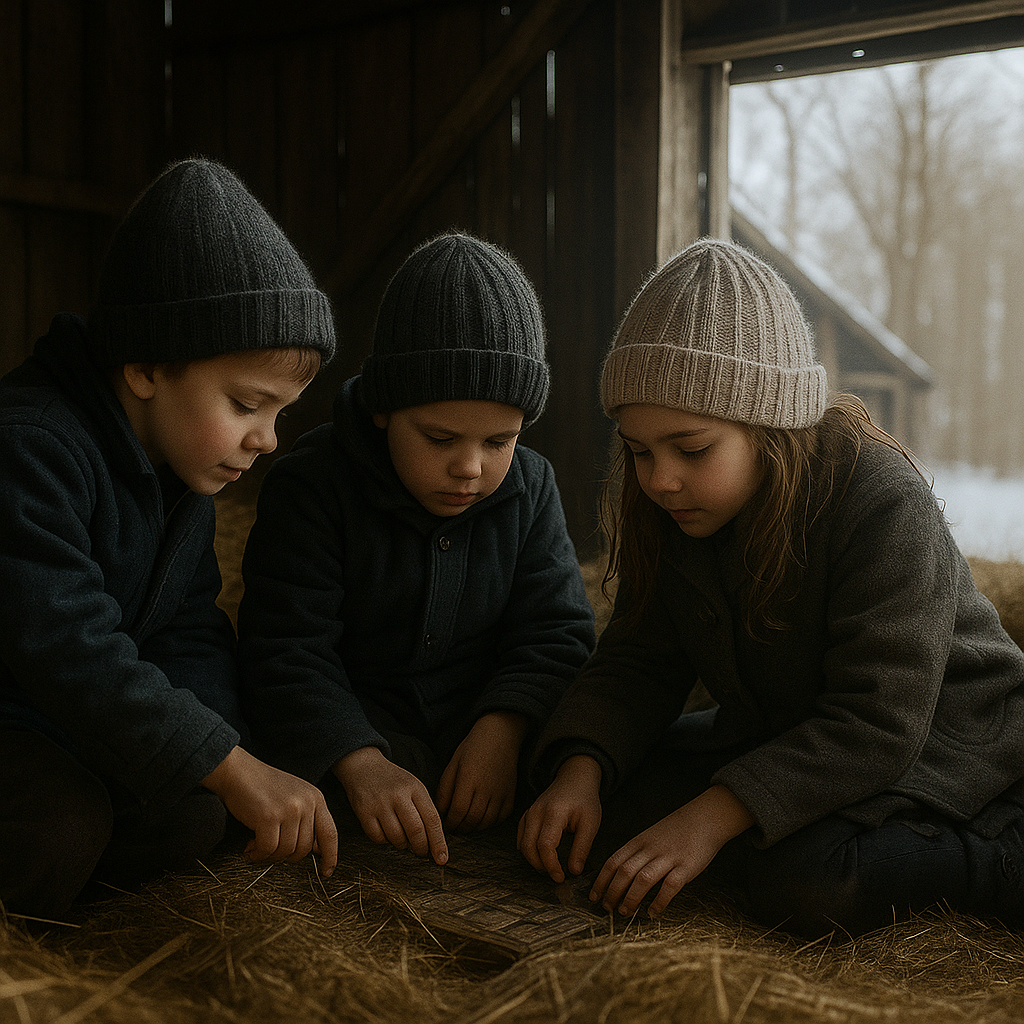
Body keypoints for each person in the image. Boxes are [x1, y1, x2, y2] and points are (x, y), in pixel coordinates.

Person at [517, 237, 1024, 938]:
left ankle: (1002, 861)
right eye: (639, 452)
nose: (660, 479)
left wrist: (706, 821)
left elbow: (879, 722)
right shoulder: (675, 508)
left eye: (691, 449)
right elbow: (641, 659)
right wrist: (582, 769)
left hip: (939, 747)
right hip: (788, 740)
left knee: (806, 882)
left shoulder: (880, 500)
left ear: (771, 426)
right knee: (584, 804)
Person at [0, 158, 341, 921]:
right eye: (249, 403)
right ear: (147, 365)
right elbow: (66, 644)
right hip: (17, 717)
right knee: (62, 824)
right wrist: (224, 763)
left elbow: (187, 628)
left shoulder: (181, 475)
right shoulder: (31, 448)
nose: (269, 439)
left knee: (193, 815)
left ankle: (61, 923)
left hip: (61, 728)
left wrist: (227, 755)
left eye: (281, 413)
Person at [238, 232, 595, 868]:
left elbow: (556, 632)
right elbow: (287, 647)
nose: (470, 467)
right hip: (358, 736)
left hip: (479, 743)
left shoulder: (531, 487)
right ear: (383, 410)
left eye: (499, 440)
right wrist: (359, 758)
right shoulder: (312, 484)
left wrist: (503, 728)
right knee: (299, 819)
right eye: (438, 438)